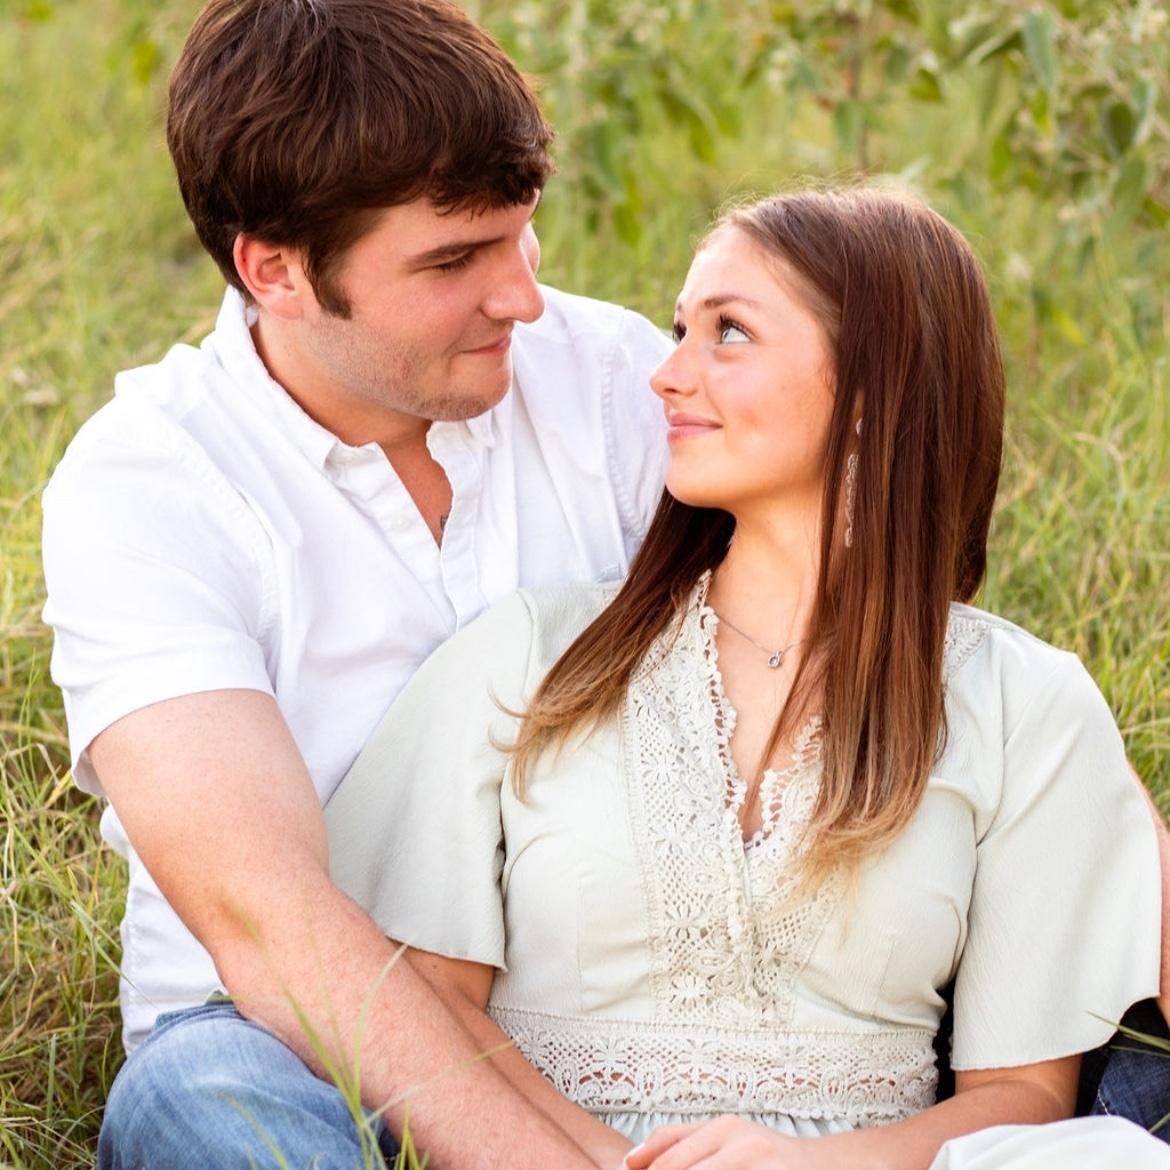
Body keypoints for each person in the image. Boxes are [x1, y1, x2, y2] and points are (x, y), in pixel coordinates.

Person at [325, 186, 1168, 1168]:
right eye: (682, 329)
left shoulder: (1025, 701)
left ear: (874, 388)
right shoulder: (530, 654)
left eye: (727, 333)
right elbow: (423, 1005)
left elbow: (1022, 1095)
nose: (668, 374)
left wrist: (807, 1168)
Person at [41, 1, 671, 1167]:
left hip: (610, 1011)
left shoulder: (612, 379)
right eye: (453, 262)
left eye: (521, 235)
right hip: (288, 1040)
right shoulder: (146, 482)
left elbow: (894, 648)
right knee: (212, 1109)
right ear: (274, 269)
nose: (521, 298)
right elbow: (264, 924)